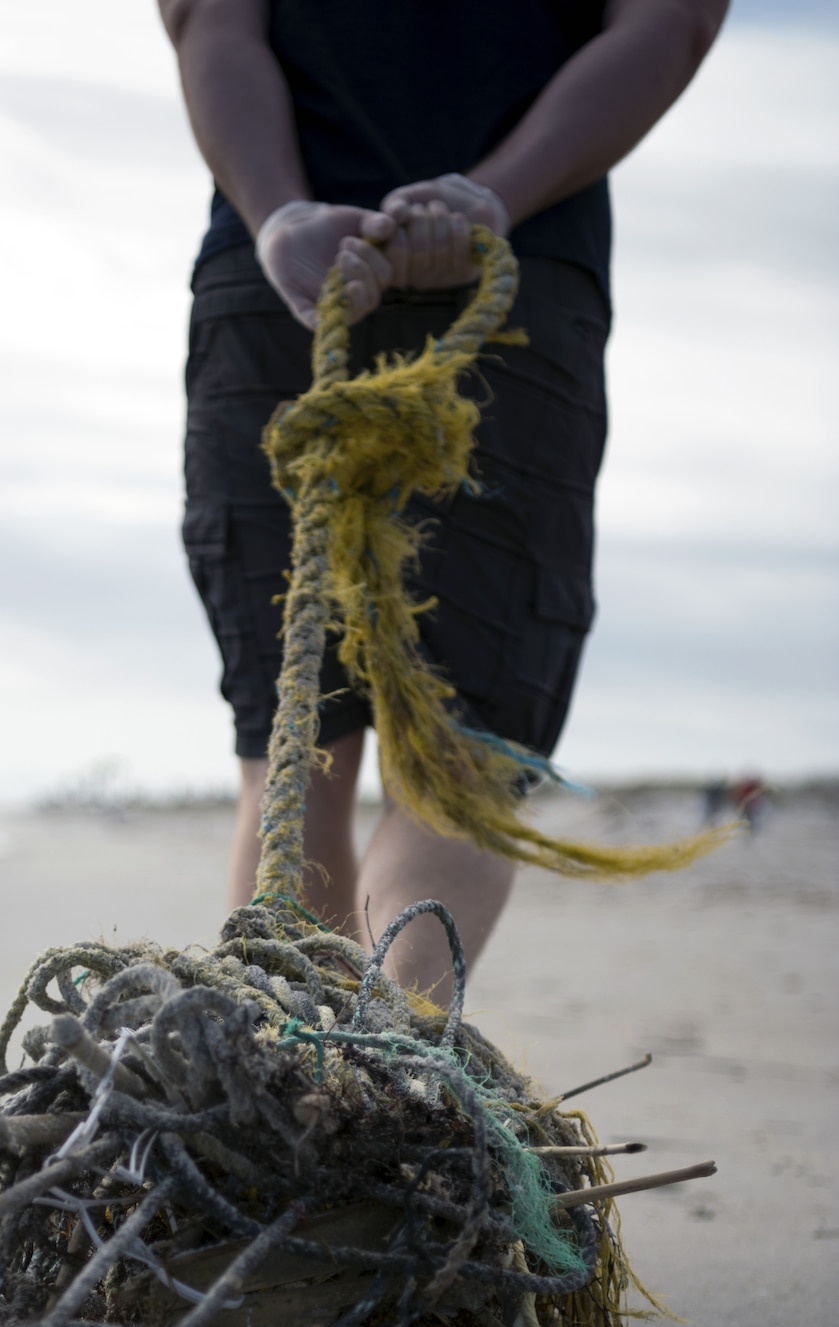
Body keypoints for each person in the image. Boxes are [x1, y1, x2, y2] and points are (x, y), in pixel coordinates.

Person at [158, 0, 728, 999]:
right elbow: (669, 23)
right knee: (458, 760)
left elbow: (211, 18)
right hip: (512, 285)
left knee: (294, 750)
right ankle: (381, 1089)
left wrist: (279, 211)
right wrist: (493, 197)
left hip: (281, 284)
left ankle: (299, 1083)